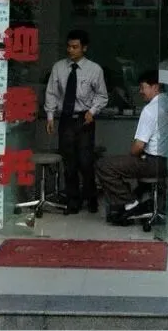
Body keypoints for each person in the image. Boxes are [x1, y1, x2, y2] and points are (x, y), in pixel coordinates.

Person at [45, 29, 108, 213]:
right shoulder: (59, 67)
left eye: (75, 47)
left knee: (85, 161)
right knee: (69, 162)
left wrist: (93, 111)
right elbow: (51, 93)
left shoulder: (94, 69)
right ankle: (73, 200)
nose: (70, 50)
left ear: (84, 48)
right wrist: (50, 116)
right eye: (69, 46)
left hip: (84, 119)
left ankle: (91, 197)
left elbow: (102, 96)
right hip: (66, 119)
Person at [96, 70, 168, 225]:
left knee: (104, 165)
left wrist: (131, 156)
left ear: (155, 87)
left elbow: (138, 147)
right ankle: (133, 201)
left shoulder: (150, 110)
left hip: (153, 163)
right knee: (125, 163)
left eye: (143, 87)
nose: (140, 92)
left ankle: (129, 203)